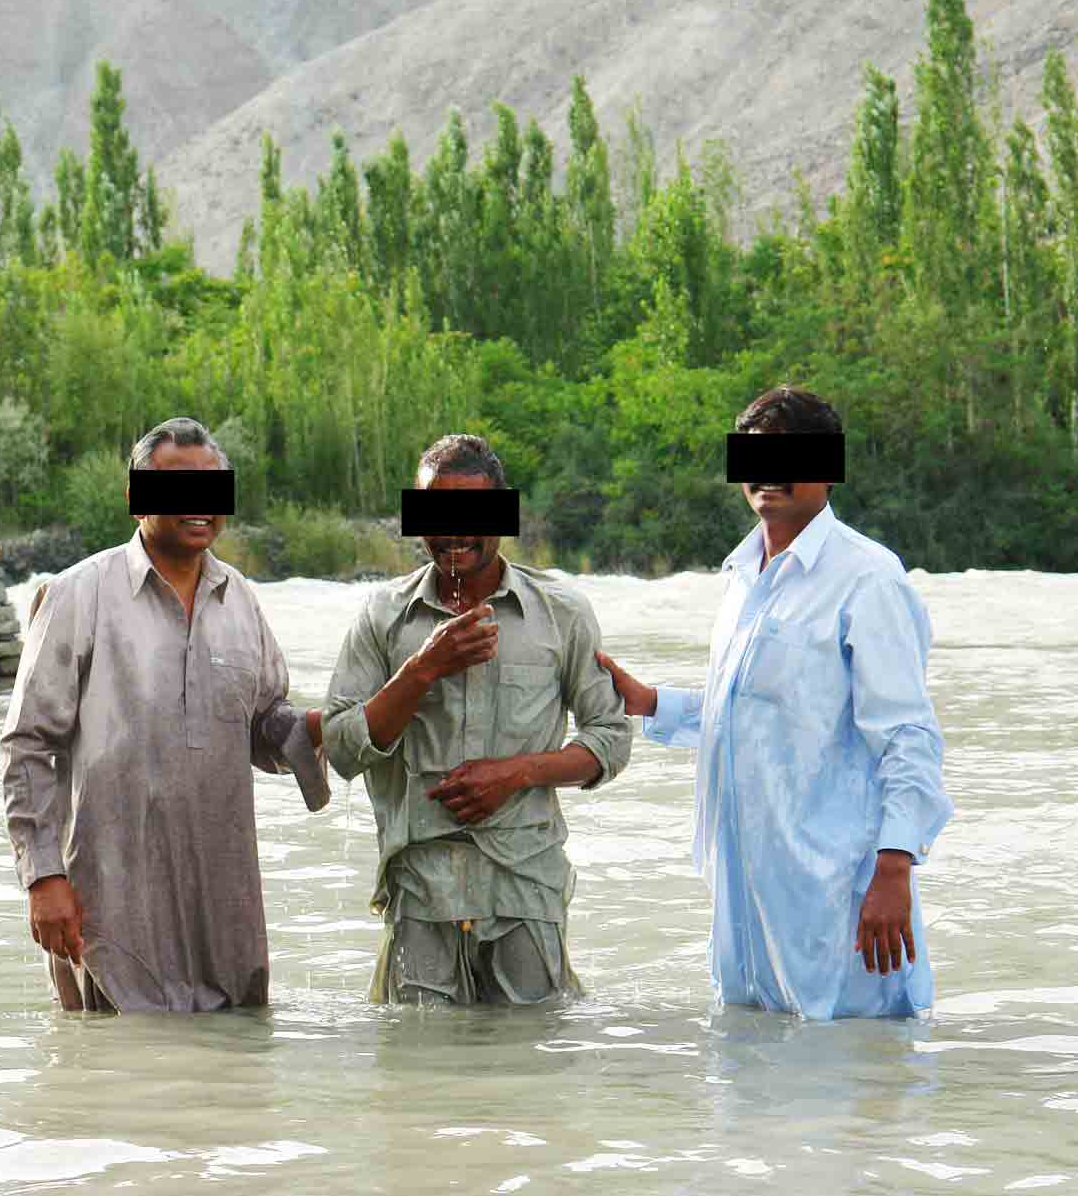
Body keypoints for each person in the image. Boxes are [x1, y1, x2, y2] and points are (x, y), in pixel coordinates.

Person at [596, 386, 953, 1020]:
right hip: (747, 893)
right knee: (749, 1089)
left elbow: (908, 737)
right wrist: (651, 702)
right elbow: (753, 715)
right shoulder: (741, 575)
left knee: (853, 1074)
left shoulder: (868, 579)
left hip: (837, 891)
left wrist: (894, 869)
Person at [1, 417, 328, 1014]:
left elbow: (265, 727)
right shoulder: (78, 595)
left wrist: (339, 726)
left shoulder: (243, 602)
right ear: (135, 498)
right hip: (110, 907)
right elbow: (27, 746)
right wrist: (43, 878)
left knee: (233, 1087)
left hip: (222, 909)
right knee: (118, 1082)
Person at [323, 434, 632, 1004]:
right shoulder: (383, 616)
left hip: (524, 893)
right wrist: (422, 670)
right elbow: (342, 747)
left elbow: (610, 741)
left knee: (528, 1073)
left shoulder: (560, 613)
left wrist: (516, 774)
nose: (454, 532)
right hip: (421, 897)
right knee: (420, 1076)